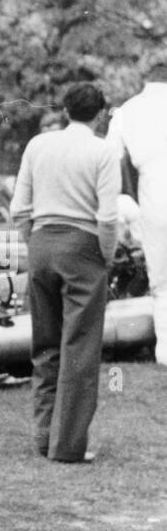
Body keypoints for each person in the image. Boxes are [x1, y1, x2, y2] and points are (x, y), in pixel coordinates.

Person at [9, 82, 120, 463]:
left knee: (44, 344)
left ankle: (43, 435)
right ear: (102, 113)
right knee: (80, 348)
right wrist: (105, 255)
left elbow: (19, 208)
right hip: (83, 248)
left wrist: (33, 242)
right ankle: (69, 444)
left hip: (42, 244)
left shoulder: (38, 145)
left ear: (66, 110)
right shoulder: (104, 151)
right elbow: (107, 216)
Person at [106, 58, 167, 366]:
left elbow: (111, 157)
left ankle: (165, 349)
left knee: (161, 279)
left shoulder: (128, 110)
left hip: (154, 195)